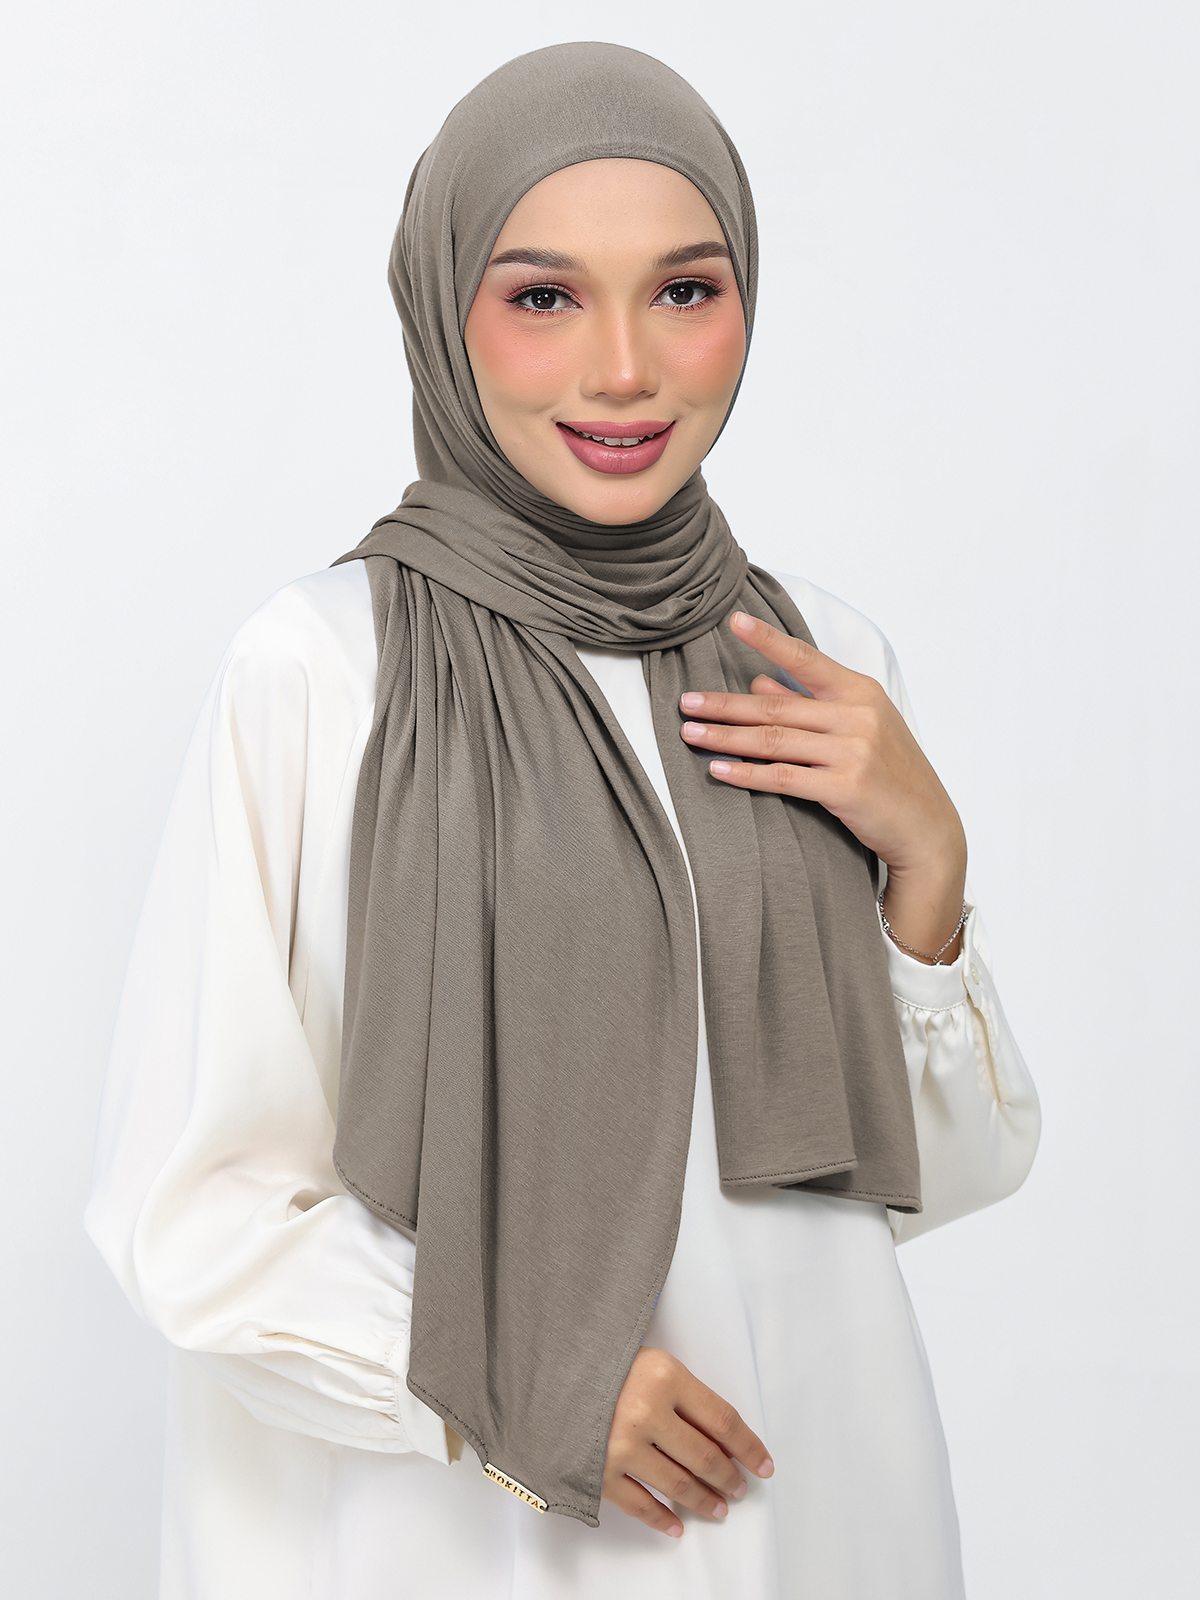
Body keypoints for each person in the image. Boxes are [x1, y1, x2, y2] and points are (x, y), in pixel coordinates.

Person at [86, 41, 1040, 1600]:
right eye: (543, 297)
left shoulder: (819, 661)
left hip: (827, 1508)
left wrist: (928, 868)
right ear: (442, 307)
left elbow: (916, 1182)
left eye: (685, 290)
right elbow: (192, 1212)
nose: (624, 370)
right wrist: (528, 1372)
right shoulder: (323, 671)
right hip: (453, 1534)